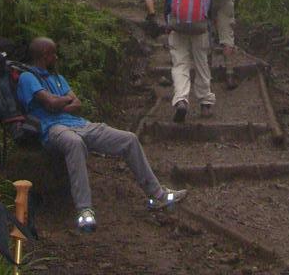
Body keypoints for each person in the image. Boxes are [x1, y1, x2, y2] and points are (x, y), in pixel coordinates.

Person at [16, 37, 187, 233]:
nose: (56, 57)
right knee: (74, 143)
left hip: (80, 124)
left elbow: (77, 104)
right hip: (52, 128)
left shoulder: (58, 78)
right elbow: (52, 104)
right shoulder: (27, 78)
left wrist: (58, 101)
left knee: (128, 139)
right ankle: (84, 210)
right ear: (45, 56)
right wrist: (63, 100)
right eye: (53, 53)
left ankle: (157, 194)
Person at [164, 0, 216, 122]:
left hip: (178, 30)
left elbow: (167, 9)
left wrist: (168, 24)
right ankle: (206, 103)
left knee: (180, 64)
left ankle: (181, 100)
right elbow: (210, 11)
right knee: (202, 64)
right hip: (200, 30)